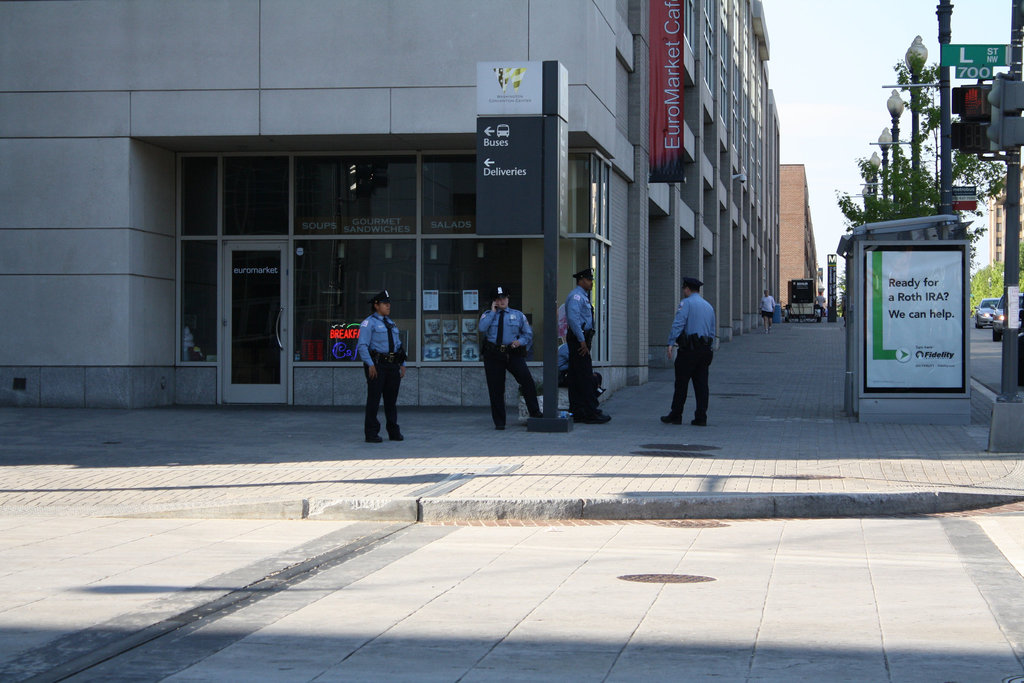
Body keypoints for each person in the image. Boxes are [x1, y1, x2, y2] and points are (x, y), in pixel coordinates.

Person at [479, 286, 541, 430]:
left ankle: (535, 413)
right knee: (496, 389)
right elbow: (482, 328)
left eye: (504, 298)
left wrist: (520, 342)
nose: (502, 301)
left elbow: (528, 334)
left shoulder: (518, 315)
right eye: (499, 299)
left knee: (527, 381)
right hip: (493, 354)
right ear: (494, 301)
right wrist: (493, 312)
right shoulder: (487, 315)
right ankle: (500, 422)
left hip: (512, 353)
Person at [661, 277, 716, 426]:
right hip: (704, 350)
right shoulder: (709, 306)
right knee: (702, 385)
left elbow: (678, 324)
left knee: (681, 384)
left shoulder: (686, 304)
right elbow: (712, 331)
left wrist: (670, 343)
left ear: (687, 289)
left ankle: (676, 414)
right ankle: (701, 416)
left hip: (689, 351)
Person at [356, 290, 406, 443]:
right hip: (377, 365)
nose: (388, 306)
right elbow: (362, 345)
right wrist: (370, 364)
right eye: (385, 303)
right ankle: (371, 433)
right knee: (374, 400)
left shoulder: (391, 323)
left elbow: (398, 345)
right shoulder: (368, 323)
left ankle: (393, 431)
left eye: (388, 303)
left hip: (392, 365)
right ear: (376, 305)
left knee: (391, 400)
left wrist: (402, 364)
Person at [565, 268, 610, 424]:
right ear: (581, 280)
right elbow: (573, 319)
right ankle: (590, 411)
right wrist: (581, 340)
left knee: (577, 376)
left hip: (581, 339)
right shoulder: (576, 296)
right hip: (579, 341)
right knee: (584, 376)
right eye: (589, 280)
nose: (591, 283)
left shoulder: (582, 296)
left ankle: (578, 411)